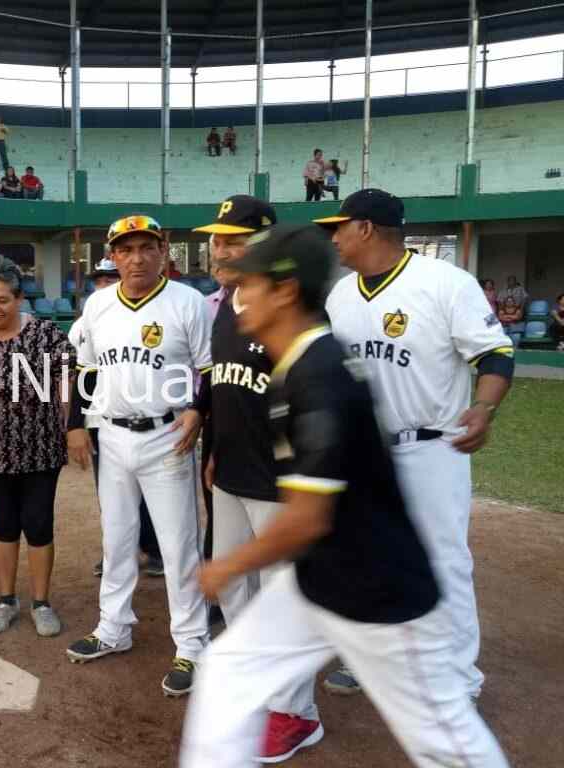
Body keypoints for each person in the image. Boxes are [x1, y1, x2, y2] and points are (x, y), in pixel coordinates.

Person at [179, 223, 510, 768]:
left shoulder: (321, 375)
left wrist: (227, 566)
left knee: (448, 744)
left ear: (285, 292)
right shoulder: (297, 366)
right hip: (320, 581)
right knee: (230, 671)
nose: (242, 297)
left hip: (380, 600)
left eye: (253, 284)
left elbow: (307, 518)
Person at [318, 188, 514, 700]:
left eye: (339, 226)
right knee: (367, 556)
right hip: (363, 452)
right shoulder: (339, 295)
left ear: (365, 227)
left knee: (443, 560)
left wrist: (485, 408)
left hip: (432, 447)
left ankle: (457, 678)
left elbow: (494, 355)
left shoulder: (446, 283)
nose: (333, 237)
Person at [192, 198, 320, 760]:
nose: (219, 248)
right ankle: (259, 688)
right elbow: (227, 387)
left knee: (283, 596)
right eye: (216, 239)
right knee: (236, 591)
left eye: (233, 239)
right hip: (232, 472)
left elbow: (306, 397)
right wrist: (215, 446)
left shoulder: (293, 307)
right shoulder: (228, 304)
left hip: (280, 477)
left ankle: (298, 713)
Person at [65, 214, 211, 698]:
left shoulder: (187, 302)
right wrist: (76, 425)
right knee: (117, 538)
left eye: (146, 247)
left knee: (177, 544)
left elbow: (209, 369)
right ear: (112, 255)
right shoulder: (99, 303)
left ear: (163, 249)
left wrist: (197, 409)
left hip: (167, 434)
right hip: (112, 434)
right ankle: (113, 627)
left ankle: (191, 643)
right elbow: (86, 369)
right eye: (125, 249)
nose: (136, 257)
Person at [0, 256, 73, 637]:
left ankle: (41, 602)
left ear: (19, 299)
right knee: (4, 524)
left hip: (40, 447)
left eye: (2, 300)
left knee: (39, 524)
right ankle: (6, 599)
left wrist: (69, 422)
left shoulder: (45, 334)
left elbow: (68, 377)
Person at [68, 259, 163, 580]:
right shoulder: (83, 323)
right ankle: (117, 553)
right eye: (100, 279)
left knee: (150, 490)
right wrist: (74, 422)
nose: (105, 283)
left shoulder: (146, 314)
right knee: (110, 494)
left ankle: (153, 549)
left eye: (111, 277)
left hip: (145, 417)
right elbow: (79, 374)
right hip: (99, 419)